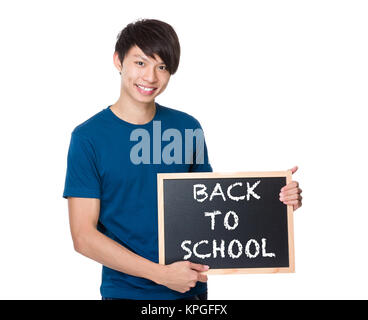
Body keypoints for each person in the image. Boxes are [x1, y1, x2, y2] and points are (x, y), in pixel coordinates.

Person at [62, 19, 302, 300]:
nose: (151, 77)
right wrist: (160, 274)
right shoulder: (88, 137)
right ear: (118, 60)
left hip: (192, 291)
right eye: (141, 63)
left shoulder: (187, 128)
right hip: (128, 294)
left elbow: (212, 208)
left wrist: (275, 202)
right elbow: (83, 237)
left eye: (161, 66)